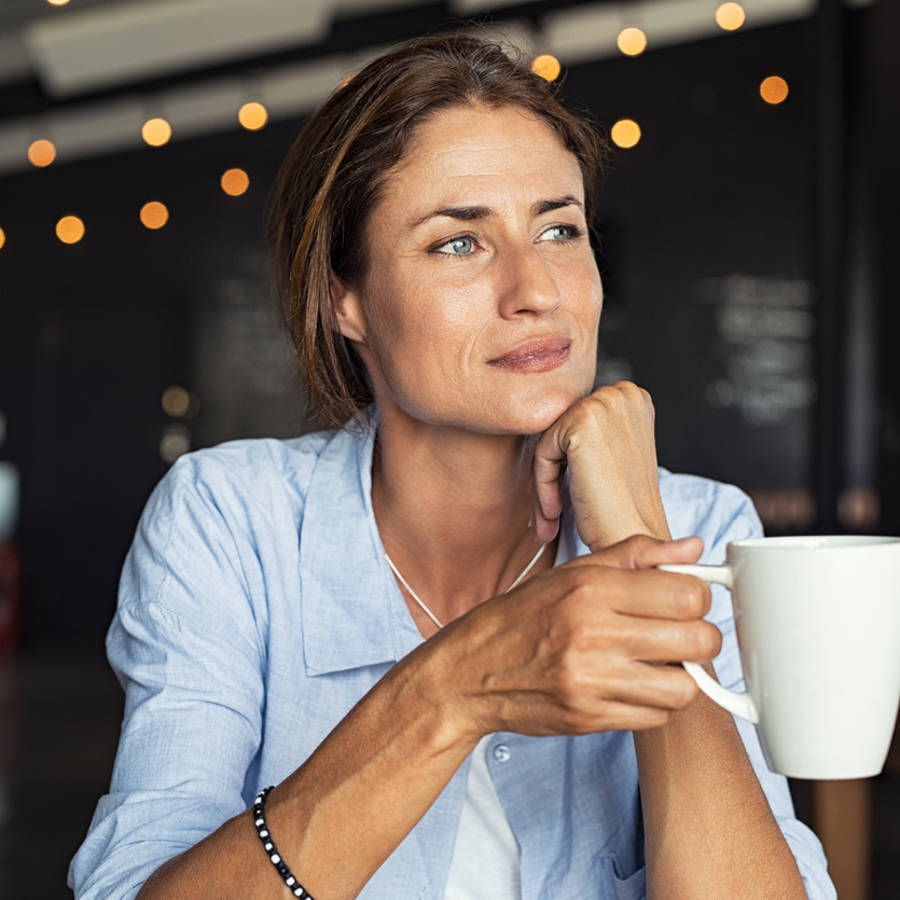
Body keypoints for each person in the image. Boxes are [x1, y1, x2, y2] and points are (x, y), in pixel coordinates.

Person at [69, 34, 835, 900]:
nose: (536, 289)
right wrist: (455, 689)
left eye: (559, 228)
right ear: (343, 298)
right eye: (458, 244)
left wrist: (634, 533)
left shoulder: (703, 528)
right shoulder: (229, 521)